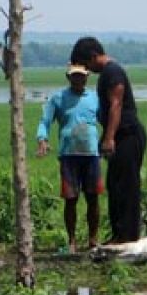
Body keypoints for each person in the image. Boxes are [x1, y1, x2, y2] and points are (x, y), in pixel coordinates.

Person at [70, 37, 147, 244]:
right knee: (116, 185)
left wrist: (109, 138)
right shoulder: (107, 73)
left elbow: (116, 105)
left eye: (86, 64)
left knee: (126, 186)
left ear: (94, 57)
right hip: (119, 135)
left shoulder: (112, 72)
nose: (87, 70)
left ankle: (127, 236)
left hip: (127, 135)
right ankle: (120, 233)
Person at [37, 63, 102, 252]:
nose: (78, 79)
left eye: (81, 76)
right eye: (74, 76)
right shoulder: (58, 98)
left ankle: (93, 239)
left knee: (93, 198)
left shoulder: (94, 98)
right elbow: (45, 121)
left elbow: (104, 120)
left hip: (91, 154)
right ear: (68, 77)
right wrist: (42, 139)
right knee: (70, 199)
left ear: (87, 77)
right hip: (68, 155)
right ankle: (72, 240)